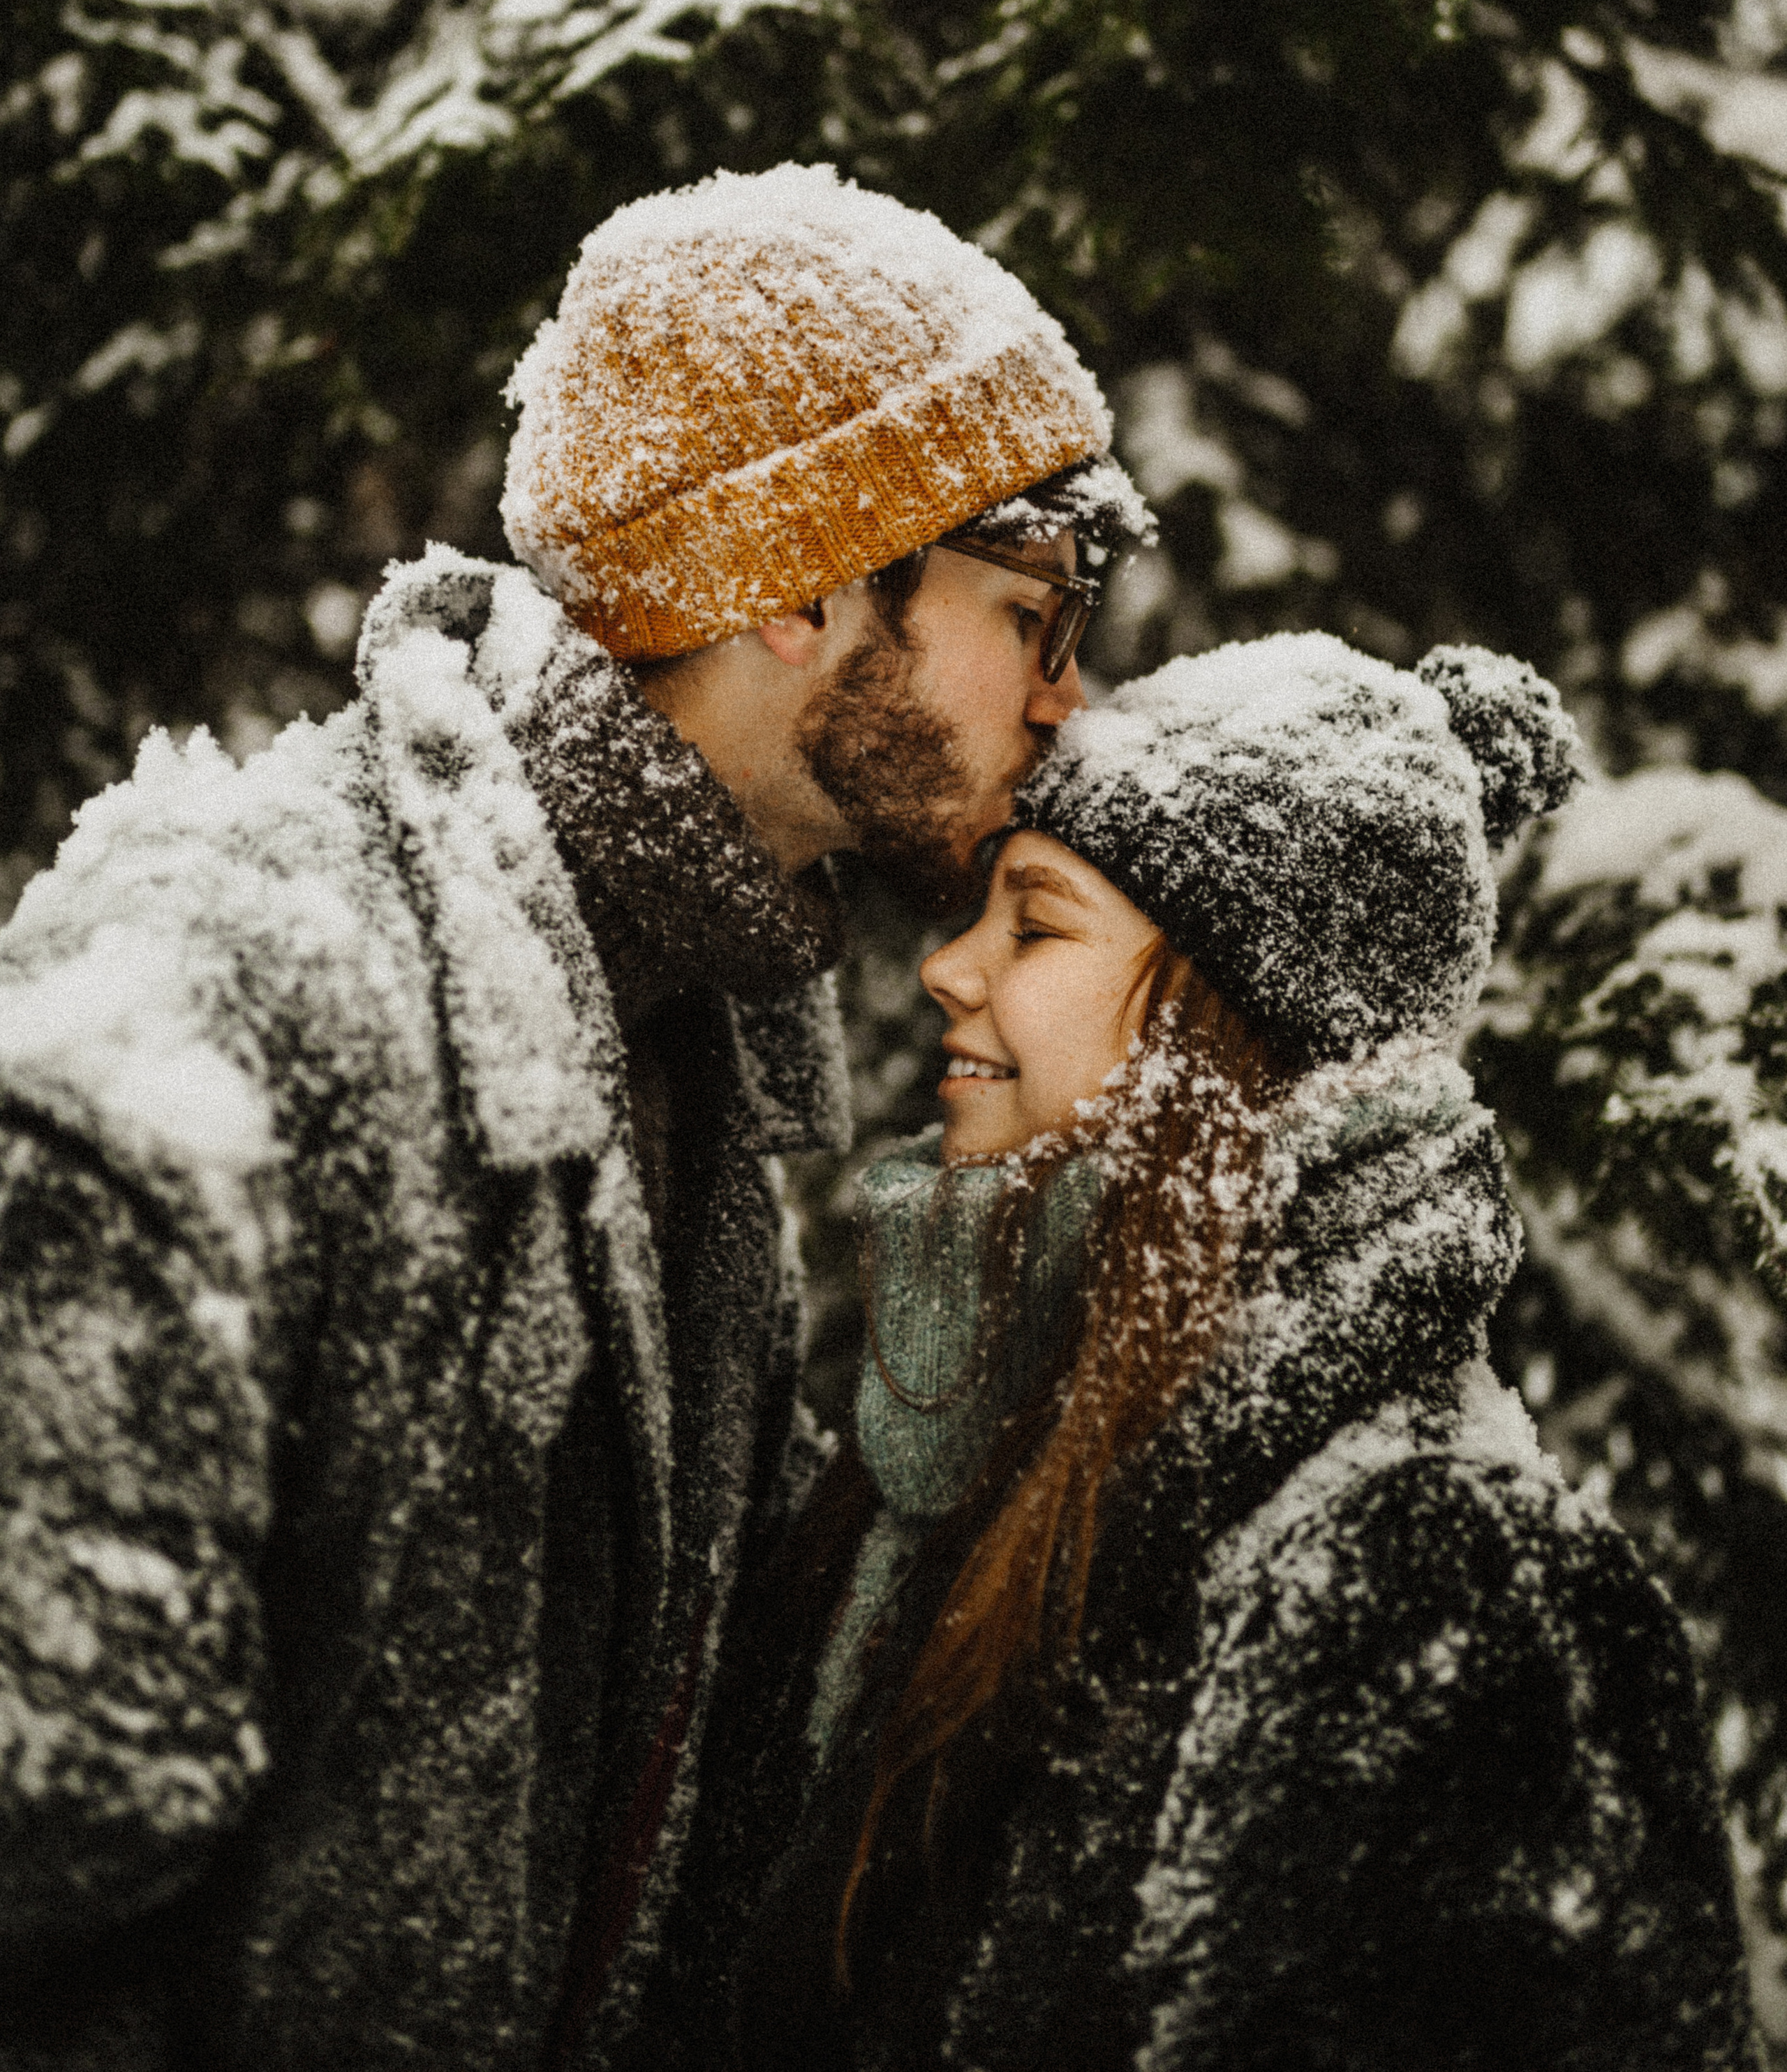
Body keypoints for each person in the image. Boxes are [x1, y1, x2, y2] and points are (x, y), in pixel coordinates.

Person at [0, 161, 1150, 2072]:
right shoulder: (239, 982)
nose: (1068, 692)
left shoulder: (677, 1032)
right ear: (795, 585)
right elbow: (42, 1819)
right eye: (1031, 610)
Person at [661, 634, 1760, 2072]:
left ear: (1232, 1031)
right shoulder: (950, 1471)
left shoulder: (1432, 1571)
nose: (945, 969)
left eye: (1035, 926)